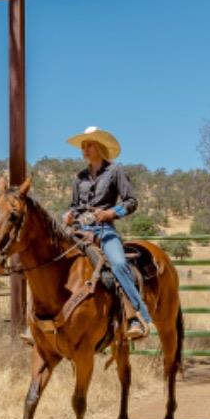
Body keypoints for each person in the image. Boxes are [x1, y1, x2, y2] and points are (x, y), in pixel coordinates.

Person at [63, 125, 155, 341]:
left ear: (100, 147)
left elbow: (132, 202)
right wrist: (68, 214)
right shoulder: (79, 177)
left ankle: (137, 316)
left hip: (104, 230)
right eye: (83, 146)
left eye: (89, 145)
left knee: (119, 264)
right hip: (79, 229)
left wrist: (111, 213)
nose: (85, 149)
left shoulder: (115, 171)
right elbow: (75, 206)